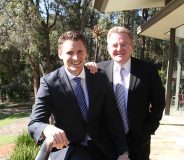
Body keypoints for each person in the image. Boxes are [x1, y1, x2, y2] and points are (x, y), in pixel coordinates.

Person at [28, 31, 129, 160]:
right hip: (69, 149)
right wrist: (47, 129)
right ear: (60, 54)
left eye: (80, 52)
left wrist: (123, 152)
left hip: (102, 148)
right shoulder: (49, 83)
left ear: (85, 51)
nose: (76, 58)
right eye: (69, 52)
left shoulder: (100, 78)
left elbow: (113, 119)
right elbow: (35, 122)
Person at [86, 26, 165, 160]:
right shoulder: (97, 71)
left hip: (138, 141)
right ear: (108, 48)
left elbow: (159, 103)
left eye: (124, 44)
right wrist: (84, 68)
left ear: (132, 46)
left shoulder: (148, 70)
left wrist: (147, 130)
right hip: (106, 141)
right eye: (115, 45)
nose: (119, 49)